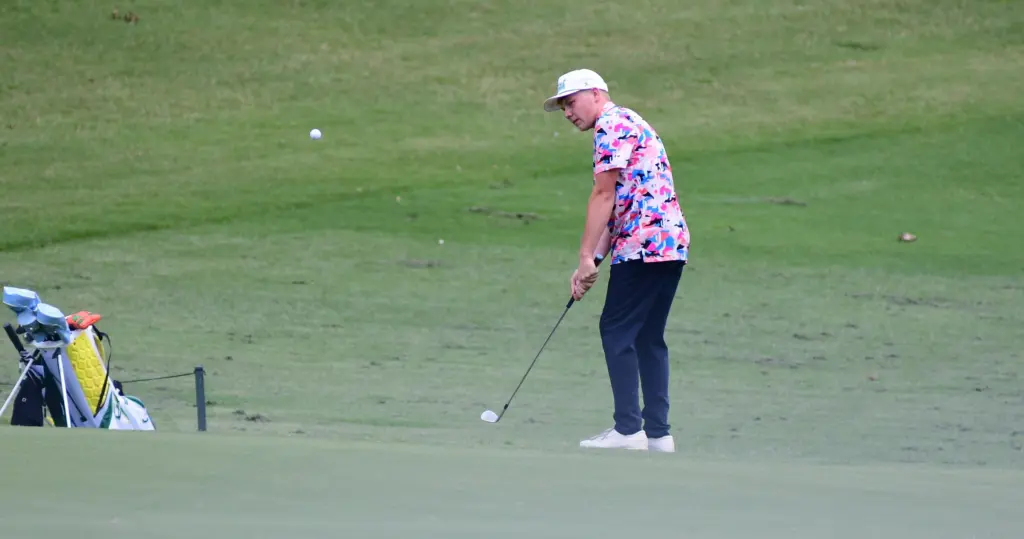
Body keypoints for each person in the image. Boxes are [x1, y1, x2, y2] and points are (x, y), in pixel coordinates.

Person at [543, 69, 690, 452]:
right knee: (647, 336)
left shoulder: (610, 125)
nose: (568, 113)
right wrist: (592, 259)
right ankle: (658, 435)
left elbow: (604, 195)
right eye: (563, 107)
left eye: (571, 102)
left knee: (616, 329)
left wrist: (583, 256)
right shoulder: (630, 121)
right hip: (669, 243)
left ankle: (628, 429)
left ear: (596, 94)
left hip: (643, 243)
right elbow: (625, 200)